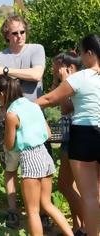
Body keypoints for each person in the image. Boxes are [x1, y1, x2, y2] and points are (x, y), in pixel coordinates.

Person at [0, 14, 49, 228]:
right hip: (10, 118)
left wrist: (5, 71)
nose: (20, 36)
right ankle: (13, 210)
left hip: (34, 118)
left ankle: (41, 211)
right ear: (7, 35)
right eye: (14, 33)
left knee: (38, 169)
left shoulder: (36, 49)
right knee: (11, 168)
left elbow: (37, 74)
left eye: (22, 31)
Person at [0, 74, 73, 236]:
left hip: (30, 159)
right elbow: (48, 134)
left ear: (0, 94)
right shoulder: (34, 105)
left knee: (32, 212)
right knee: (47, 205)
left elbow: (9, 144)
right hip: (45, 157)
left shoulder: (11, 114)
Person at [36, 34, 100, 236]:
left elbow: (49, 99)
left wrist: (20, 105)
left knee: (90, 195)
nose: (81, 58)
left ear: (90, 53)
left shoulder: (80, 77)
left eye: (82, 53)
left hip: (84, 135)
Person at [51, 52, 85, 236]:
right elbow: (53, 93)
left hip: (74, 137)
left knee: (65, 185)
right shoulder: (73, 81)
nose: (53, 70)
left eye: (56, 66)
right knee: (72, 186)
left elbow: (64, 107)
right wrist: (57, 80)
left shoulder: (76, 83)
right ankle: (78, 227)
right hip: (70, 136)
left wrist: (63, 81)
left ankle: (89, 222)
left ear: (68, 68)